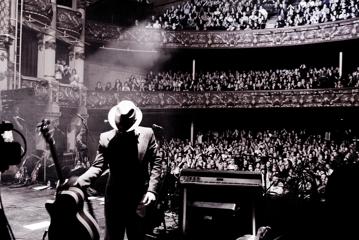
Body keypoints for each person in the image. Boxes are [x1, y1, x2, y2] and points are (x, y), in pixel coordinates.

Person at [76, 100, 162, 240]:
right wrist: (80, 181)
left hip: (138, 197)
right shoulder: (106, 138)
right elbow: (98, 166)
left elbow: (157, 163)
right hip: (115, 198)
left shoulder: (148, 134)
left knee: (137, 235)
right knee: (113, 236)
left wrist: (152, 190)